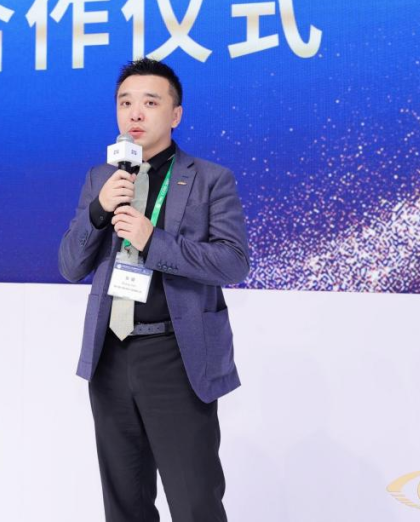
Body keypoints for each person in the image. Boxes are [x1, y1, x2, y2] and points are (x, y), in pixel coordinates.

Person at [59, 58, 250, 522]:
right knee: (124, 503)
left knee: (194, 502)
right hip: (111, 355)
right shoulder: (102, 179)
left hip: (176, 355)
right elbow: (70, 265)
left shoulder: (209, 179)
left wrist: (152, 241)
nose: (135, 114)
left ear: (175, 114)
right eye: (125, 103)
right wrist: (99, 212)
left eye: (149, 102)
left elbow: (233, 262)